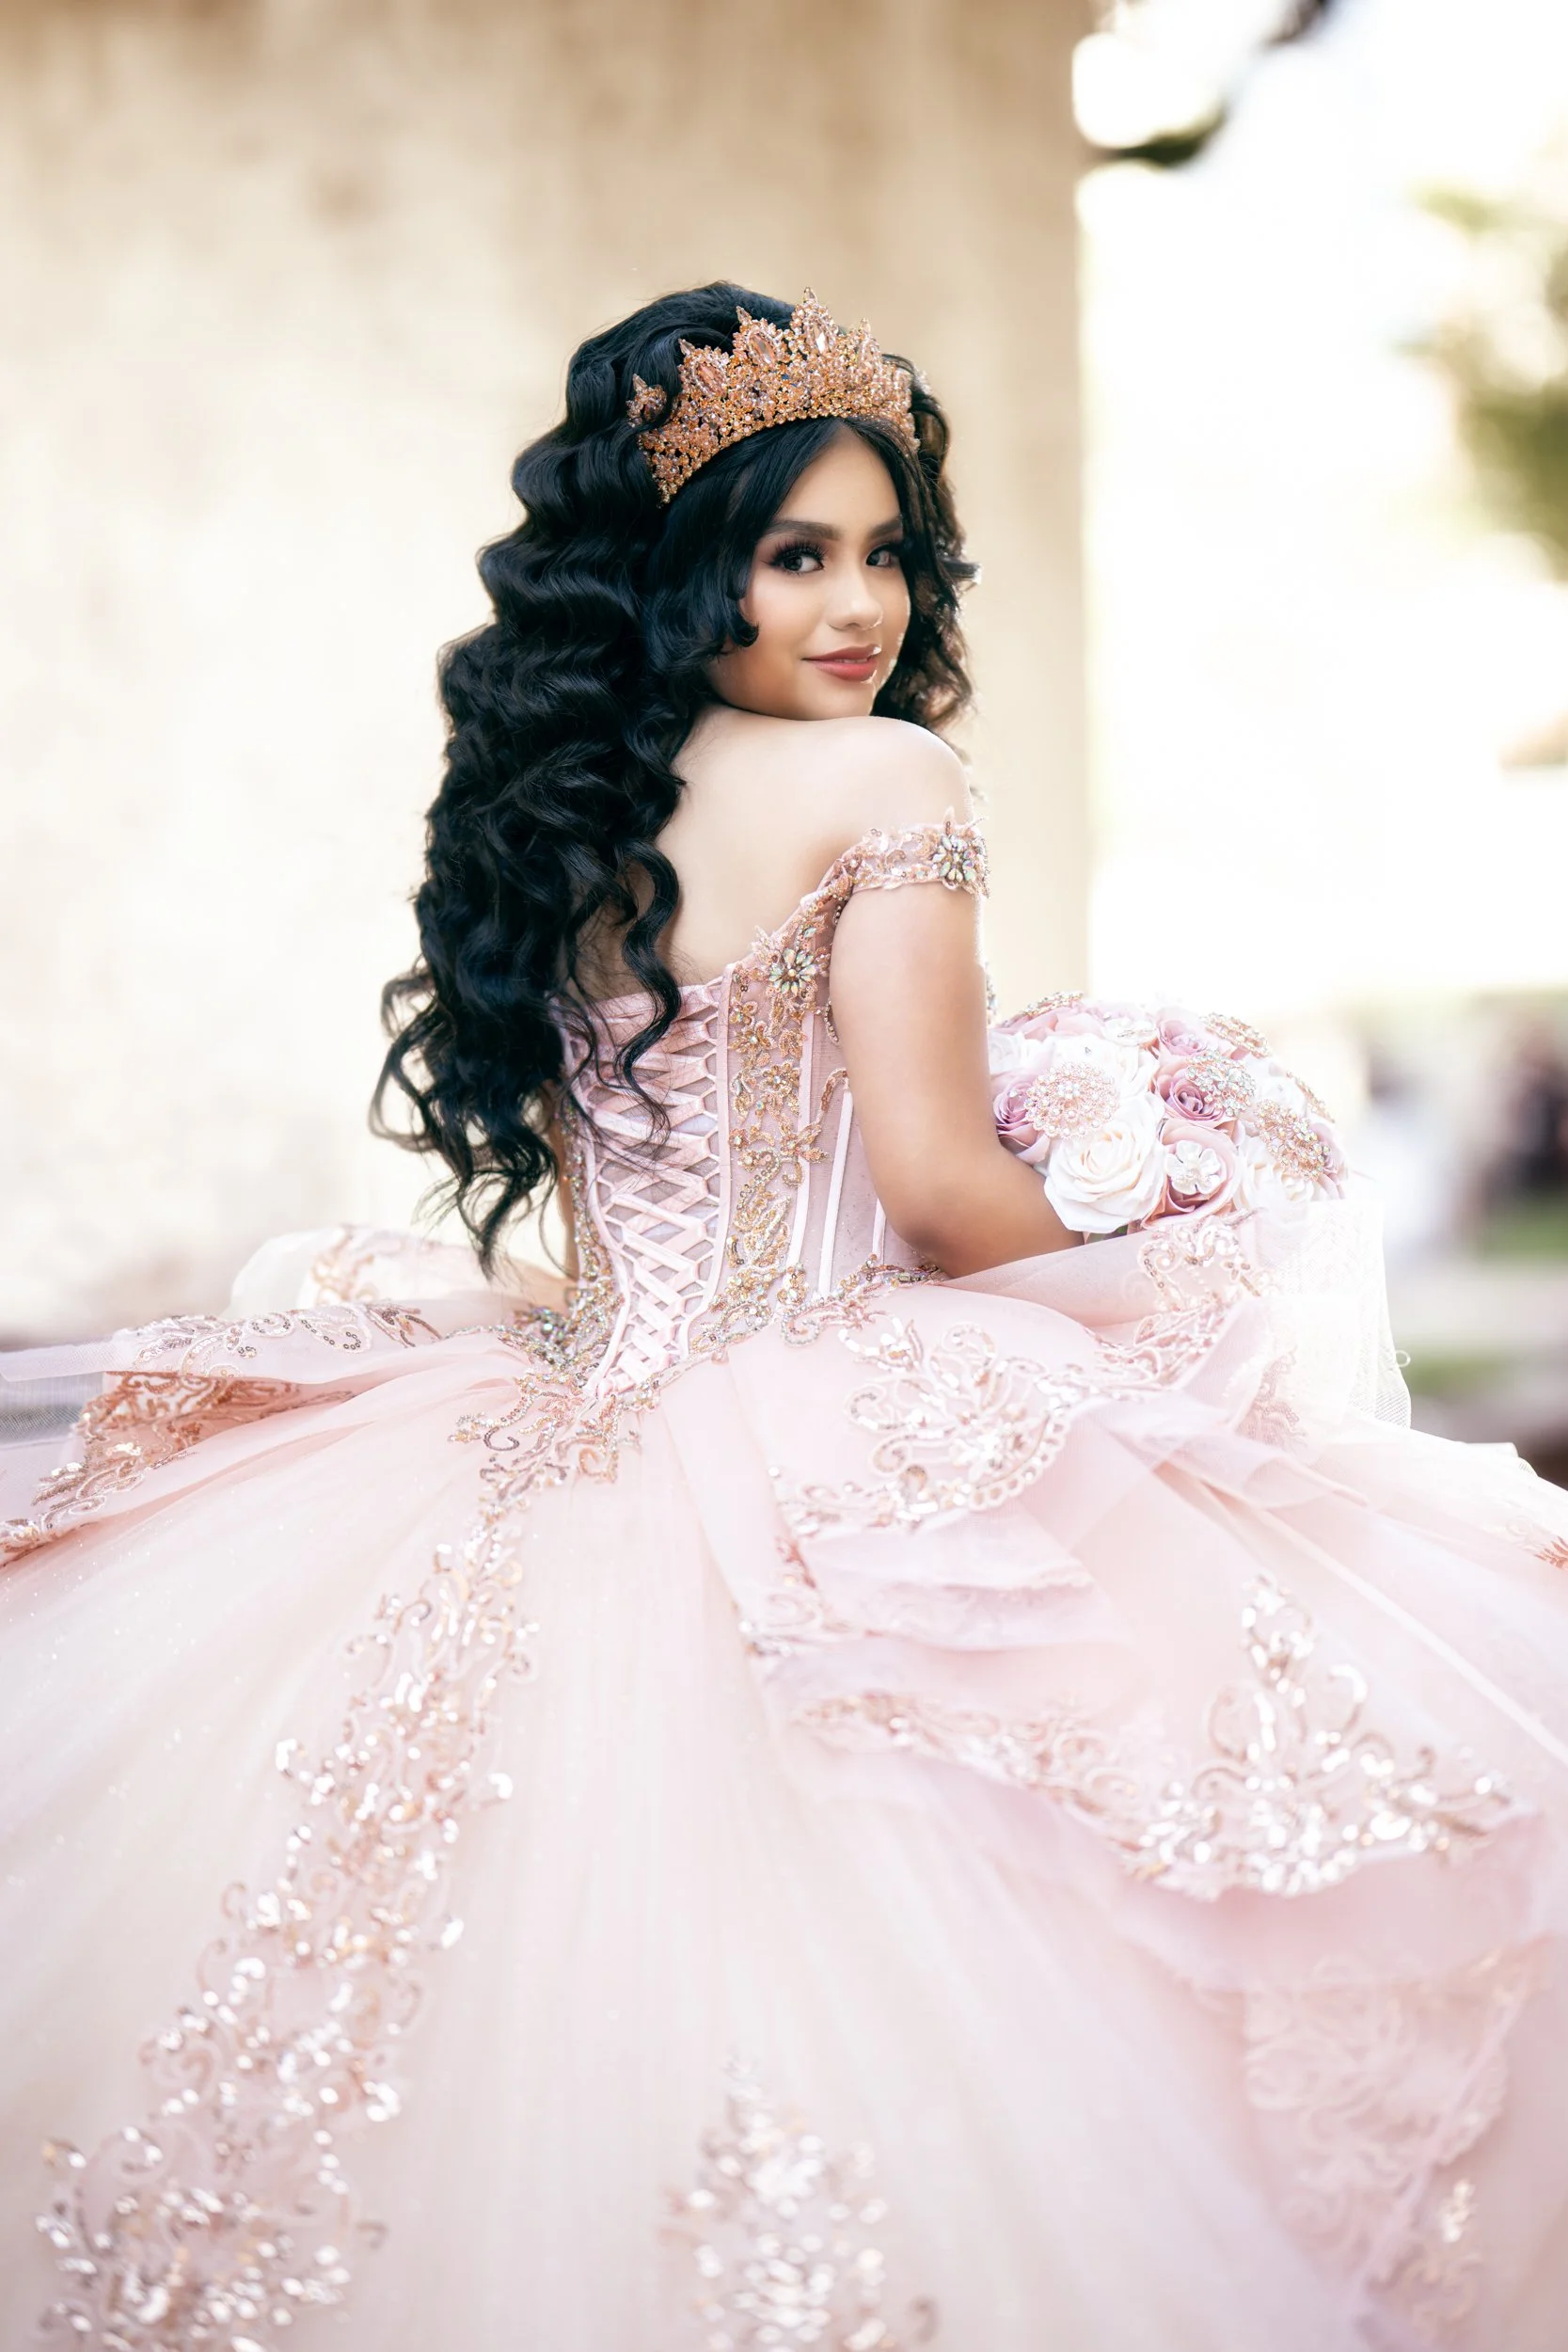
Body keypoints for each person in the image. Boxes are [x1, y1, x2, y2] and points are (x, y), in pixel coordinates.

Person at [3, 284, 1568, 2352]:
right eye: (790, 549)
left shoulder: (549, 805)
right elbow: (928, 1184)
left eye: (883, 547)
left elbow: (614, 1191)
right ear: (681, 561)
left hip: (548, 1417)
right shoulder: (881, 776)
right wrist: (1159, 1220)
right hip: (808, 1406)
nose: (852, 601)